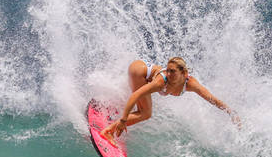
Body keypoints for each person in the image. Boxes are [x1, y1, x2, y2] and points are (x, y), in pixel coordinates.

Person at [100, 57, 239, 140]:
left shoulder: (190, 84)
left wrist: (230, 112)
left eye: (172, 71)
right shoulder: (161, 81)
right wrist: (123, 121)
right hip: (139, 71)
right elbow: (136, 95)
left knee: (143, 108)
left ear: (184, 73)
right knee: (146, 113)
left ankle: (115, 108)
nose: (168, 73)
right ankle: (108, 132)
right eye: (168, 70)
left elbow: (211, 98)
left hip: (142, 71)